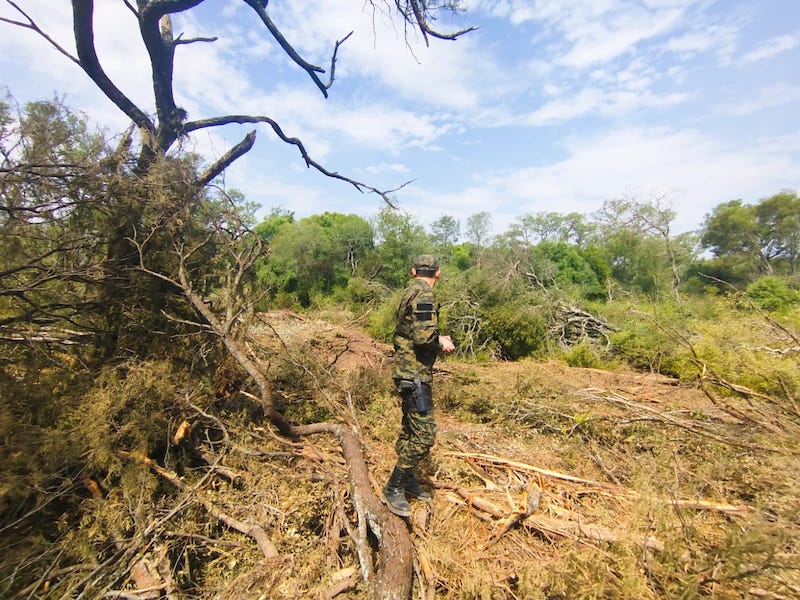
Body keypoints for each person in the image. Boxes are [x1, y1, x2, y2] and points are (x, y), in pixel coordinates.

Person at [382, 254, 455, 517]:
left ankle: (409, 479)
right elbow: (424, 338)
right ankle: (393, 487)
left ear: (413, 271)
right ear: (438, 273)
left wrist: (435, 336)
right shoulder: (425, 295)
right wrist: (441, 342)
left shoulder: (409, 291)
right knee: (425, 435)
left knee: (410, 429)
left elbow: (413, 330)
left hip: (407, 371)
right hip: (414, 375)